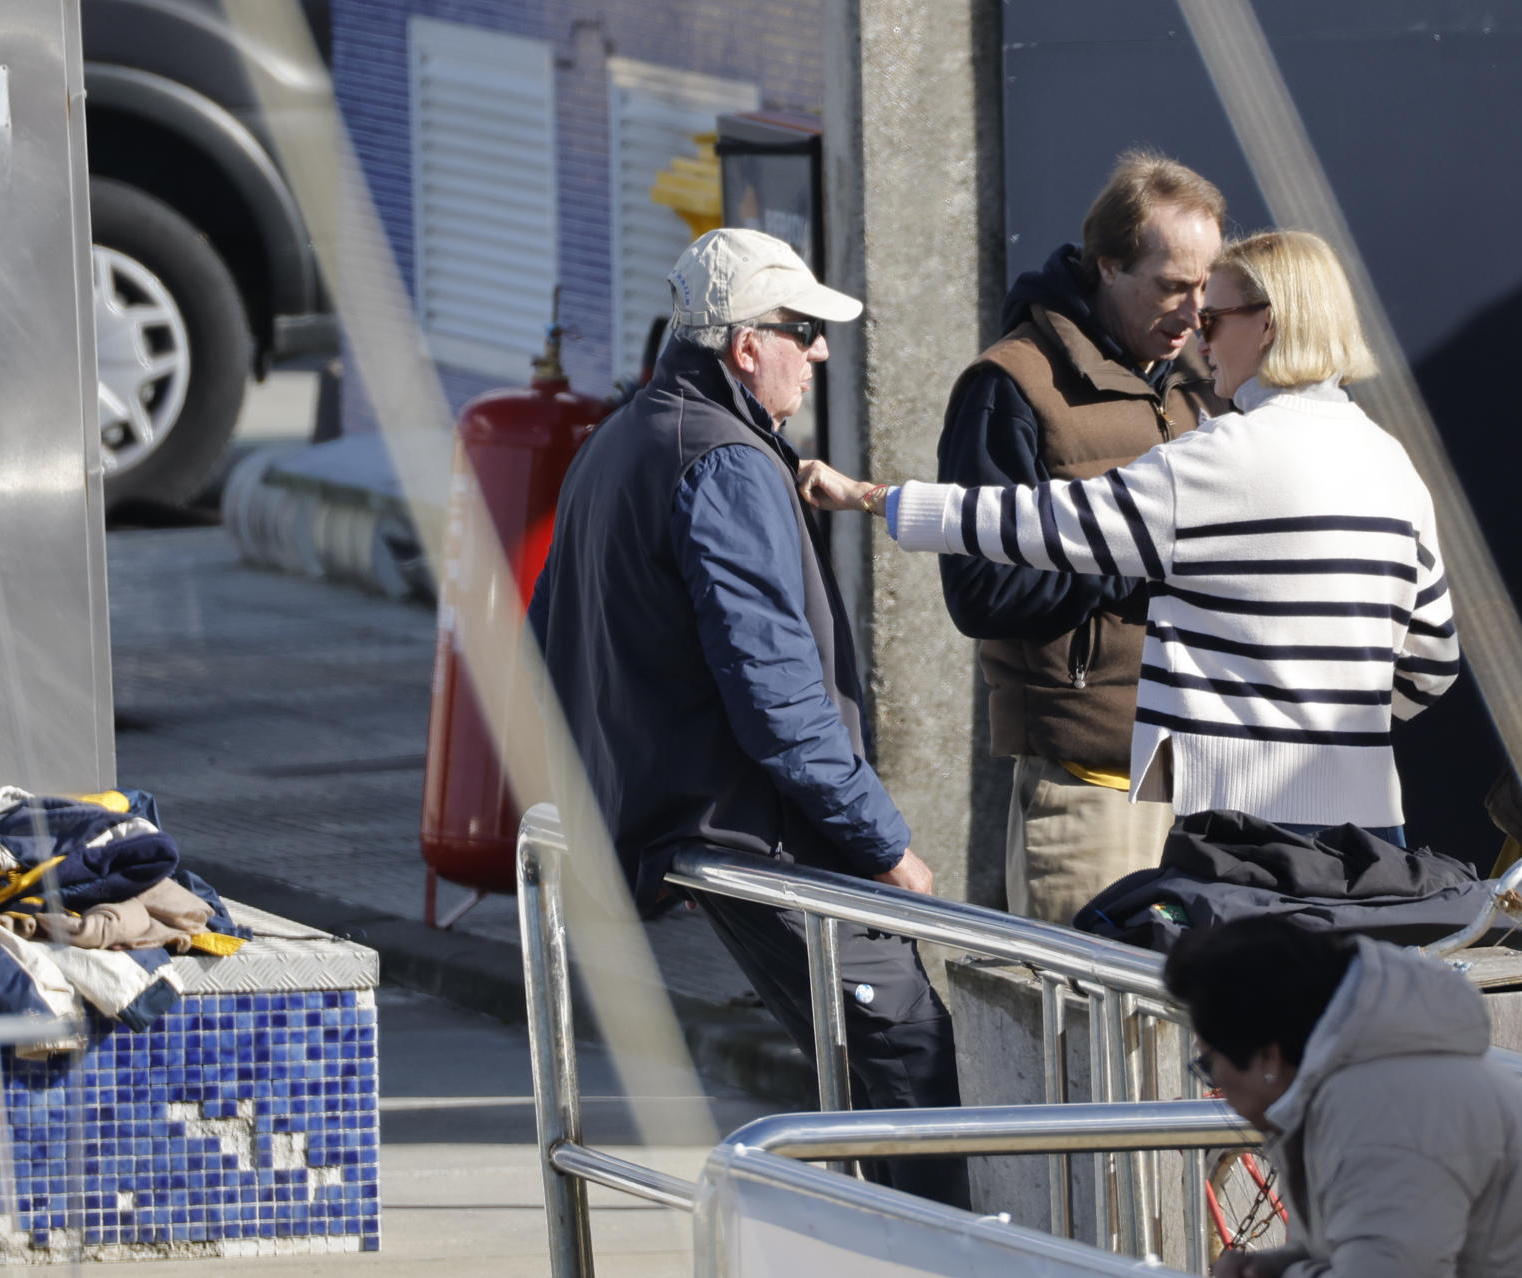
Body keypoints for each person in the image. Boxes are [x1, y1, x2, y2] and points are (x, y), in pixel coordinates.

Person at [526, 227, 966, 1208]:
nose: (819, 353)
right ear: (745, 345)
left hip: (690, 830)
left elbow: (543, 637)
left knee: (863, 1080)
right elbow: (778, 692)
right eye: (803, 331)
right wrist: (883, 841)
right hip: (756, 837)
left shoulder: (625, 437)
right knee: (909, 1062)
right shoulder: (723, 462)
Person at [801, 230, 1458, 840]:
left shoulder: (1215, 461)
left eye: (1212, 320)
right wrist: (1337, 731)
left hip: (1245, 826)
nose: (1199, 341)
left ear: (1269, 325)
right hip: (1370, 829)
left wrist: (873, 497)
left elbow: (1033, 522)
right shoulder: (1392, 464)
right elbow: (1433, 663)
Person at [935, 150, 1228, 923]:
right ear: (1108, 266)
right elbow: (980, 590)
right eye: (1172, 286)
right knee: (1087, 1005)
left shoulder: (1204, 383)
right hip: (1091, 790)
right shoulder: (1012, 385)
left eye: (1207, 287)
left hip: (1210, 787)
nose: (1194, 312)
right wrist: (1135, 552)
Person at [1164, 917, 1522, 1277]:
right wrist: (1276, 1266)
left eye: (1208, 1065)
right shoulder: (1359, 1085)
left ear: (1268, 1057)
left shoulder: (1384, 1110)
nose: (1214, 1086)